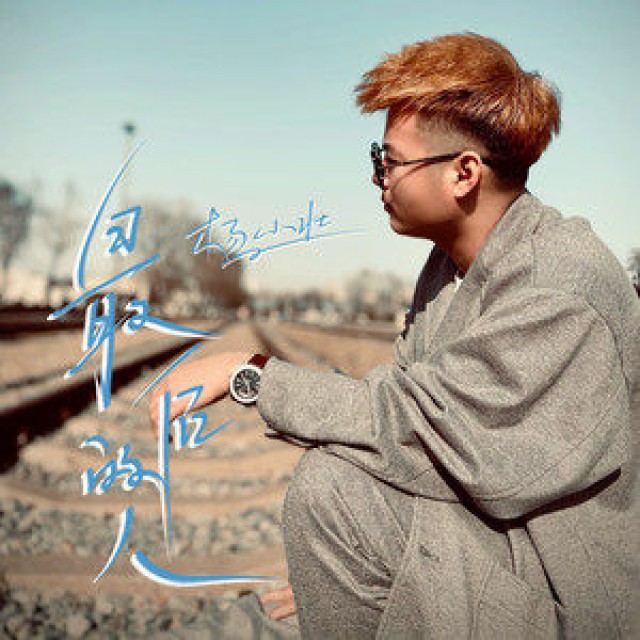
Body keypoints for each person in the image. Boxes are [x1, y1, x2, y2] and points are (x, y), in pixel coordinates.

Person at [150, 33, 639, 638]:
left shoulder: (557, 284)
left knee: (332, 489)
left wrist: (248, 374)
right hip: (497, 548)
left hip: (571, 600)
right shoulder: (448, 271)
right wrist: (341, 571)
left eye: (390, 161)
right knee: (283, 583)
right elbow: (410, 437)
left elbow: (424, 430)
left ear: (464, 173)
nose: (379, 178)